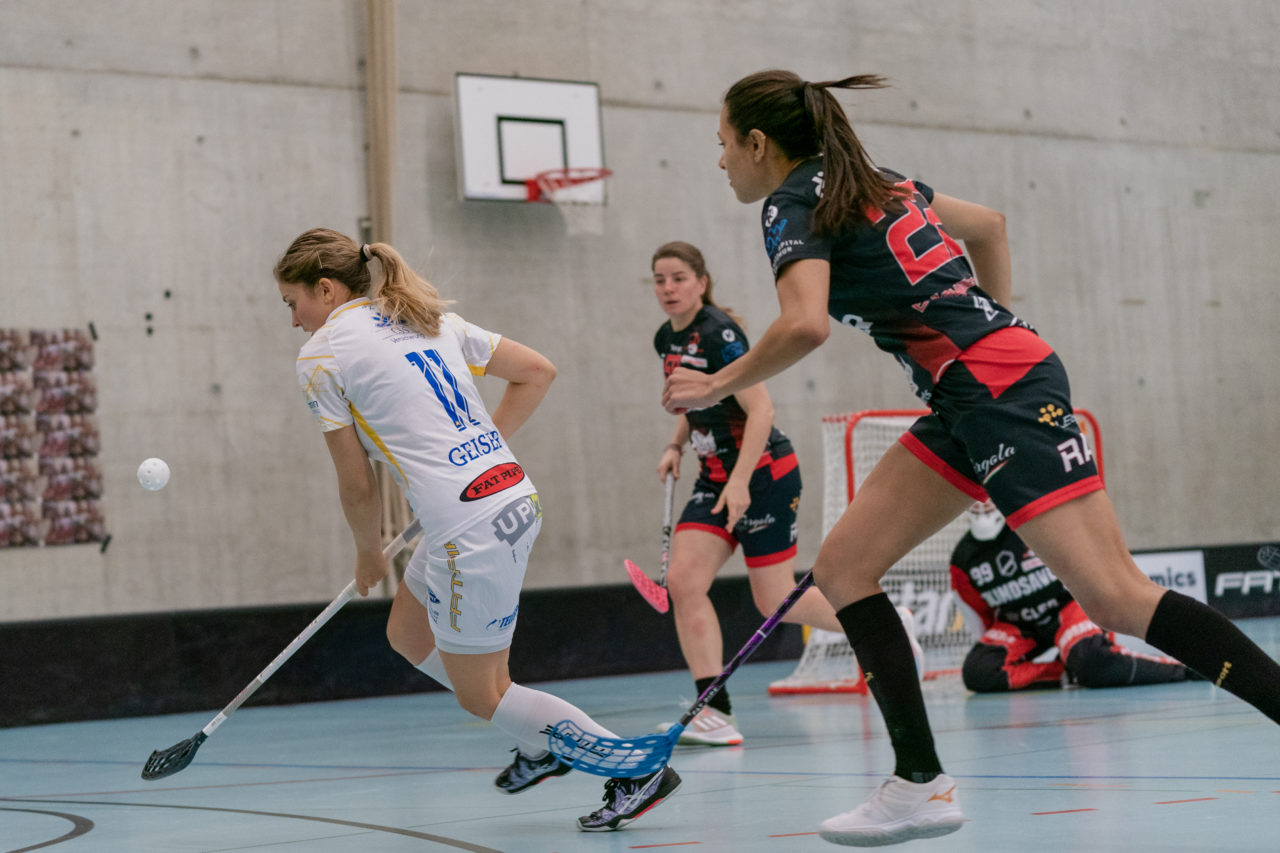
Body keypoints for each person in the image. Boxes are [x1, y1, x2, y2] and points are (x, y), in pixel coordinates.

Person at [661, 70, 1280, 847]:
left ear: (759, 143)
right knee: (844, 567)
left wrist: (716, 383)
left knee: (1117, 598)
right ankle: (918, 782)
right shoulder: (878, 182)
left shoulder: (791, 203)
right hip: (972, 390)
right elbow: (990, 225)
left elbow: (805, 324)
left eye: (723, 142)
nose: (721, 159)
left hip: (995, 387)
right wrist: (996, 326)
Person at [275, 228, 680, 833]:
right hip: (504, 498)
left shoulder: (321, 355)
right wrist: (479, 452)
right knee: (408, 633)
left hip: (470, 528)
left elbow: (356, 483)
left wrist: (367, 552)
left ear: (326, 289)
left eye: (293, 303)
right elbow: (537, 371)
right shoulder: (425, 317)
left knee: (482, 694)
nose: (293, 320)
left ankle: (634, 769)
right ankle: (540, 740)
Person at [649, 241, 845, 746]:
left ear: (701, 282)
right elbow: (693, 401)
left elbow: (761, 410)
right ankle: (714, 711)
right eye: (659, 279)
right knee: (684, 581)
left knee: (774, 599)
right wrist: (675, 445)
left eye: (678, 278)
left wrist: (740, 482)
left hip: (763, 475)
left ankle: (884, 624)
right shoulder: (666, 339)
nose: (668, 288)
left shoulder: (720, 333)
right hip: (713, 478)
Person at [951, 501, 1192, 692]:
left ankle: (1182, 670)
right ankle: (1067, 673)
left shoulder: (1031, 525)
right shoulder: (963, 559)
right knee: (978, 672)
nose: (982, 504)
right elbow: (978, 615)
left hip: (1068, 607)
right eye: (975, 499)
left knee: (1091, 660)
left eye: (986, 497)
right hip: (1019, 625)